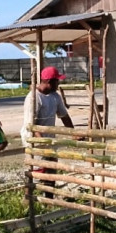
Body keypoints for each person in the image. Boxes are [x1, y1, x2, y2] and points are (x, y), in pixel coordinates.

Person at [21, 67, 76, 198]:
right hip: (35, 139)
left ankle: (49, 199)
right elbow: (31, 125)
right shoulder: (34, 98)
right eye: (57, 81)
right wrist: (42, 142)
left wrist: (74, 133)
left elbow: (64, 116)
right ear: (49, 82)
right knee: (37, 170)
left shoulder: (55, 96)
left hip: (49, 139)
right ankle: (29, 198)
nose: (58, 84)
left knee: (51, 168)